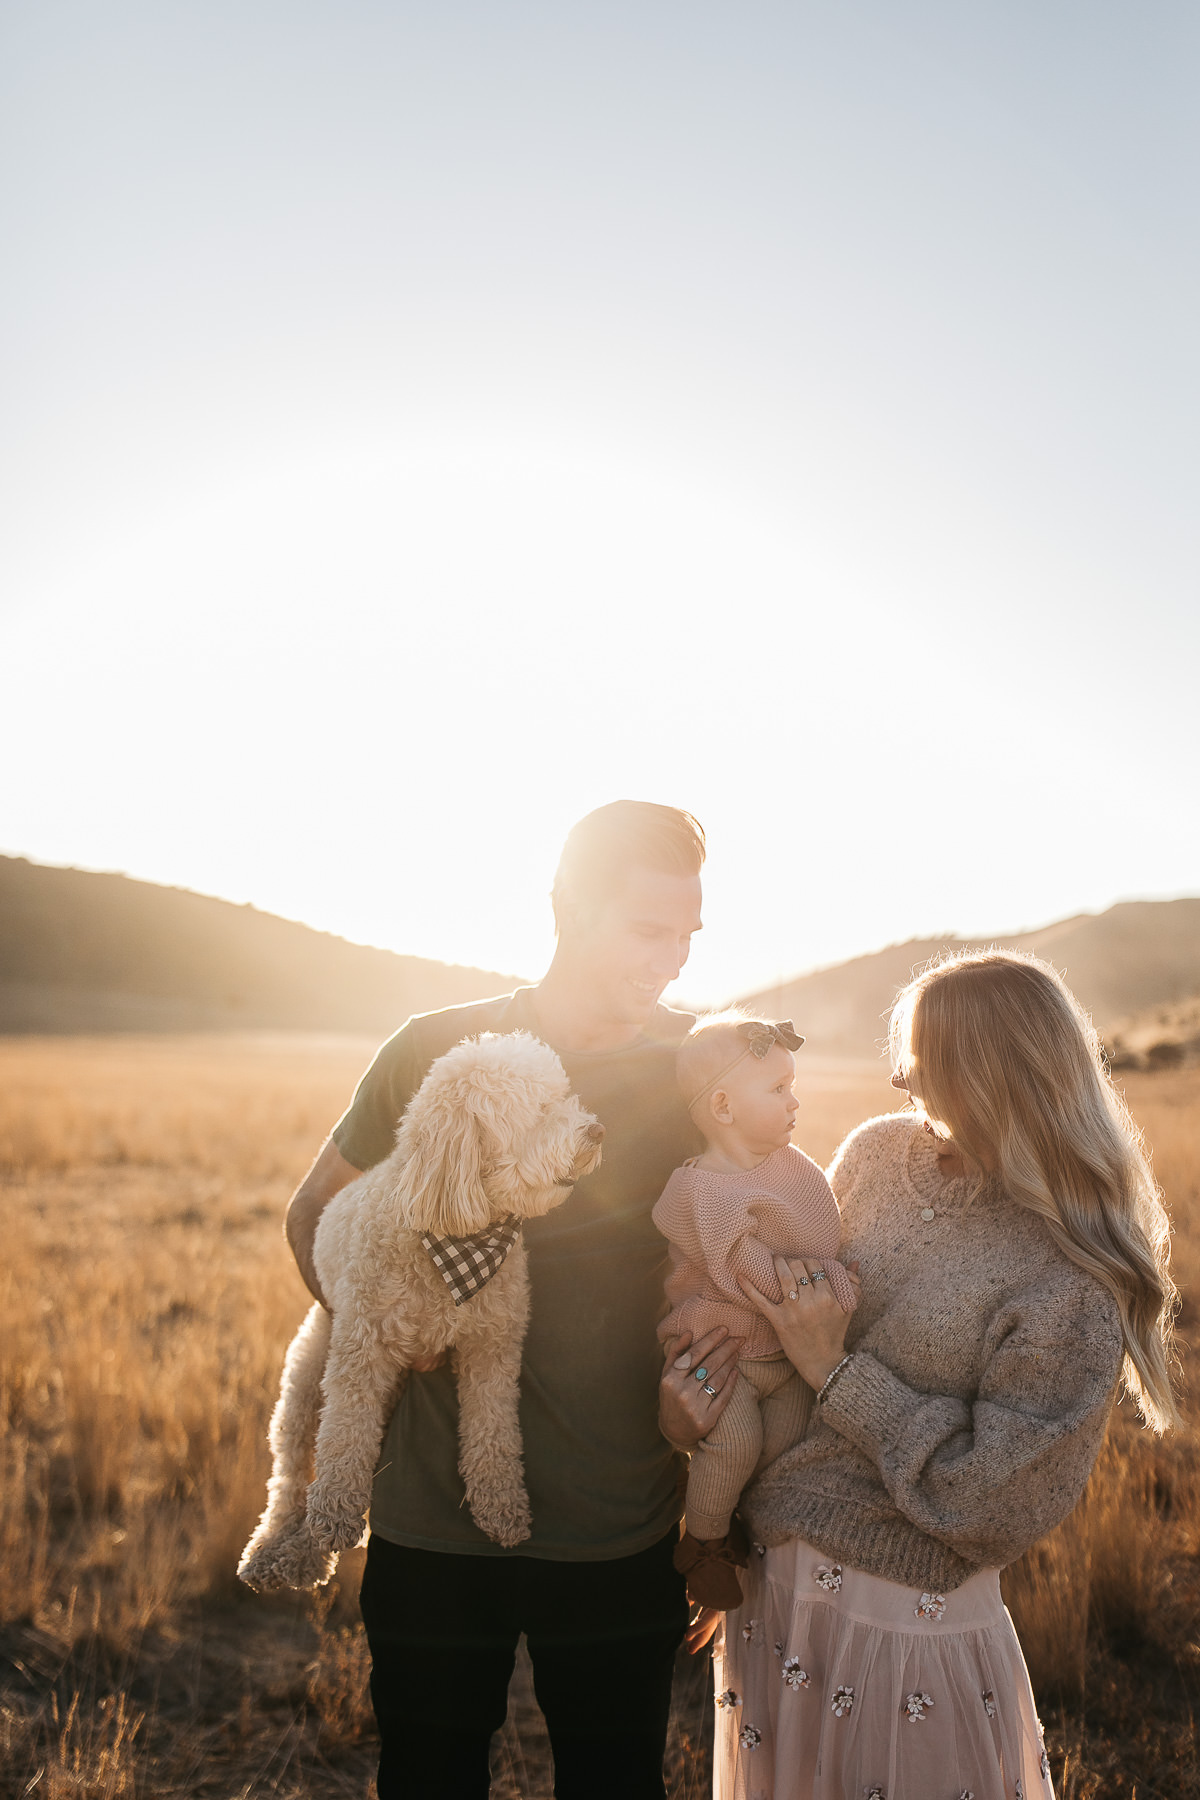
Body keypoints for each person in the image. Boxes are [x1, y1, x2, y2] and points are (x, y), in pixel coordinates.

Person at [284, 800, 742, 1800]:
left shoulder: (701, 1066)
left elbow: (756, 1252)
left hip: (621, 1525)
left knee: (617, 1784)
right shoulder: (430, 1049)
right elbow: (314, 1214)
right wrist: (389, 1332)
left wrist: (727, 1515)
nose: (671, 959)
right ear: (569, 908)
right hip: (432, 1525)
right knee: (427, 1778)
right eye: (647, 929)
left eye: (688, 935)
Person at [664, 950, 1177, 1800]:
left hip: (903, 1624)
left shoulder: (1072, 1273)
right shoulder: (872, 1156)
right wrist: (693, 1423)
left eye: (927, 1067)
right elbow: (770, 1327)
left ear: (997, 1077)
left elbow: (993, 1500)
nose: (903, 1084)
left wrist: (837, 1371)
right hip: (773, 1595)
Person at [651, 1013, 857, 1610]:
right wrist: (837, 1293)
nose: (795, 1102)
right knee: (735, 1440)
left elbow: (821, 1241)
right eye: (777, 1090)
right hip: (721, 1346)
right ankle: (706, 1545)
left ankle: (738, 1513)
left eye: (792, 1086)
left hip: (783, 1353)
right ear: (722, 1106)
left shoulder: (793, 1168)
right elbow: (757, 1276)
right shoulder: (701, 1192)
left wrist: (829, 1275)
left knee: (786, 1439)